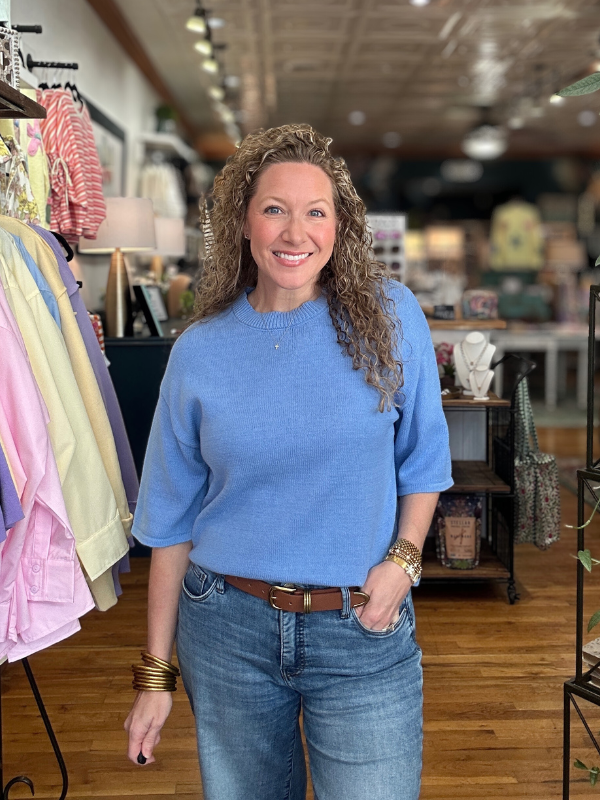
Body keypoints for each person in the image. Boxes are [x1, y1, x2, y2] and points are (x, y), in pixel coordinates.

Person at [125, 123, 453, 800]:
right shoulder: (199, 350)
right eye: (274, 209)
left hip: (361, 625)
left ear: (340, 227)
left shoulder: (390, 317)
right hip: (226, 629)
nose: (295, 232)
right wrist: (156, 675)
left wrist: (404, 561)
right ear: (243, 224)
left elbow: (424, 460)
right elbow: (169, 519)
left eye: (316, 212)